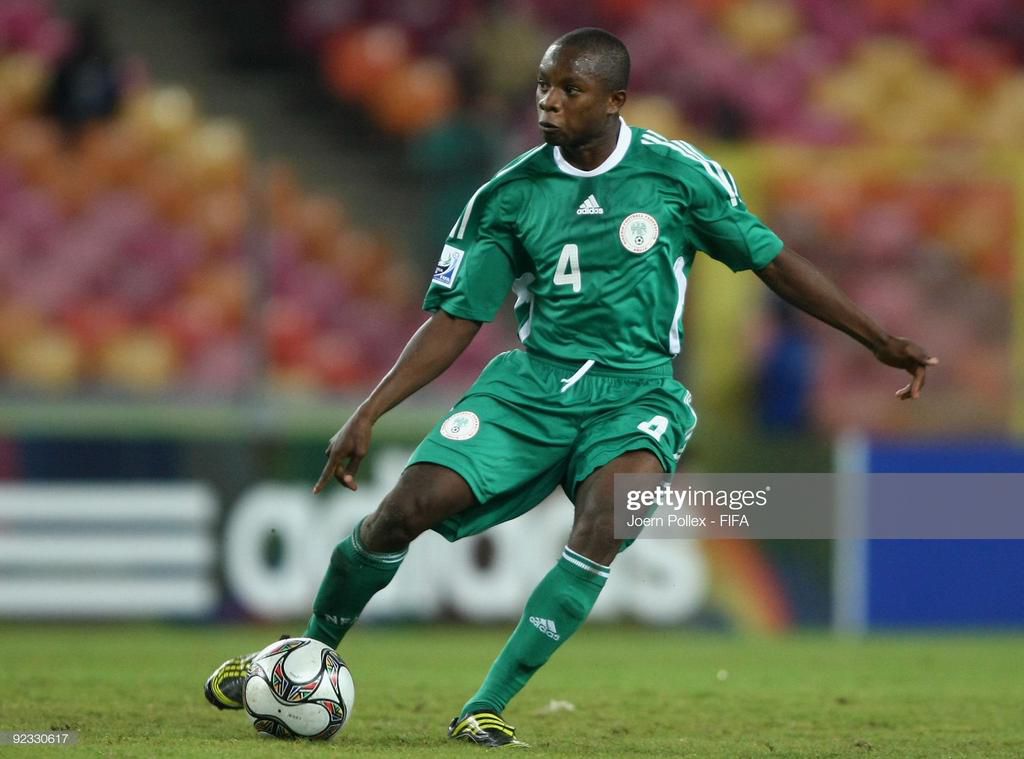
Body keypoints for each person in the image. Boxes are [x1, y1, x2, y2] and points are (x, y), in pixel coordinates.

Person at [204, 28, 937, 748]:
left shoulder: (678, 176)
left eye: (568, 89)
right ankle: (302, 654)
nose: (548, 102)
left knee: (605, 523)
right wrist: (368, 411)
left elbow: (774, 263)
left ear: (614, 100)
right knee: (405, 509)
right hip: (531, 389)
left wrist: (878, 340)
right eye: (543, 86)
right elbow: (457, 319)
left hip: (636, 395)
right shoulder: (508, 196)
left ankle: (484, 707)